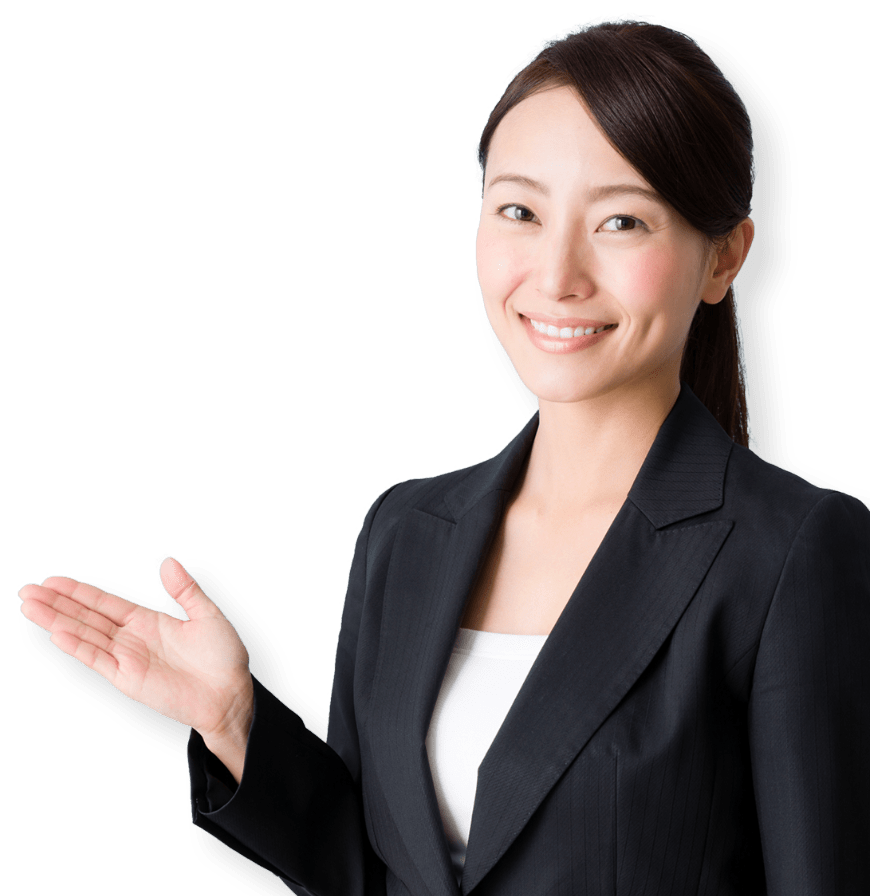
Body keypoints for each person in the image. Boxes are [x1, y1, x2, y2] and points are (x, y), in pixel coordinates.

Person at [18, 15, 870, 895]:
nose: (557, 275)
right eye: (520, 211)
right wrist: (236, 721)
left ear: (724, 258)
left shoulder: (796, 550)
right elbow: (370, 872)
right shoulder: (408, 530)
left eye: (621, 221)